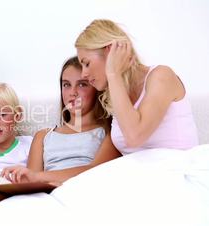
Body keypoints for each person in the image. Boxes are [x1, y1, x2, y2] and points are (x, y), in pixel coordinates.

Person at [75, 19, 199, 155]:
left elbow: (135, 136)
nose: (83, 74)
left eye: (86, 63)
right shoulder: (115, 94)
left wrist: (113, 73)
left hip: (177, 172)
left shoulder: (162, 76)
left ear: (110, 51)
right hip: (139, 174)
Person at [1, 56, 121, 184]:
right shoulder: (43, 136)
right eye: (66, 84)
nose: (72, 92)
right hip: (47, 197)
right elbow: (31, 183)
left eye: (82, 84)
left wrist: (37, 177)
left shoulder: (110, 133)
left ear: (96, 88)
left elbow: (95, 171)